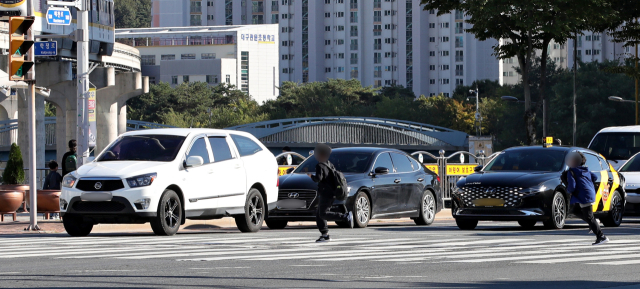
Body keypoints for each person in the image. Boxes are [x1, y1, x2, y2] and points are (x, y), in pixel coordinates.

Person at [307, 144, 353, 242]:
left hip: (325, 194)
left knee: (323, 214)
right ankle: (324, 234)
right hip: (331, 193)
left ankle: (345, 216)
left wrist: (311, 176)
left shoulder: (320, 165)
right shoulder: (329, 164)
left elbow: (318, 179)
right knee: (319, 214)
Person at [566, 151, 609, 245]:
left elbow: (572, 186)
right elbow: (594, 177)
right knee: (575, 210)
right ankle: (593, 222)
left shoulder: (571, 171)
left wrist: (568, 191)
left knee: (589, 217)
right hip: (590, 193)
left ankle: (601, 236)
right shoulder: (586, 170)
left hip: (583, 195)